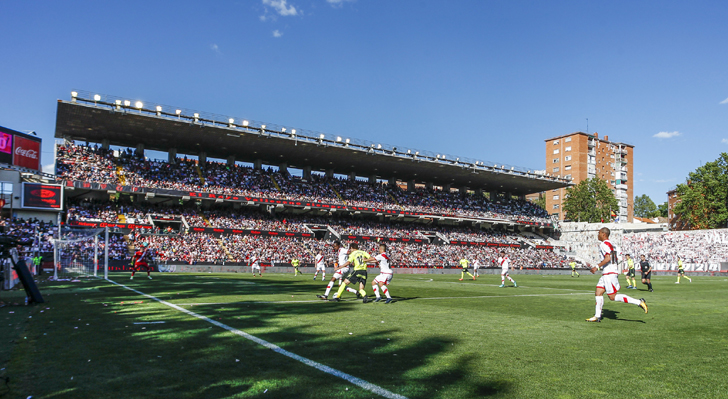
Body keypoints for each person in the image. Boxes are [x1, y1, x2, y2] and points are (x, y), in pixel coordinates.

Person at [586, 227, 647, 322]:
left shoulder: (603, 244)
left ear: (603, 234)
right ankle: (597, 316)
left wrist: (596, 267)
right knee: (598, 292)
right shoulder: (614, 245)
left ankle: (639, 302)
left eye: (598, 233)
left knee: (612, 297)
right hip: (608, 272)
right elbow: (618, 258)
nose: (597, 235)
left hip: (609, 273)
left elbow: (607, 258)